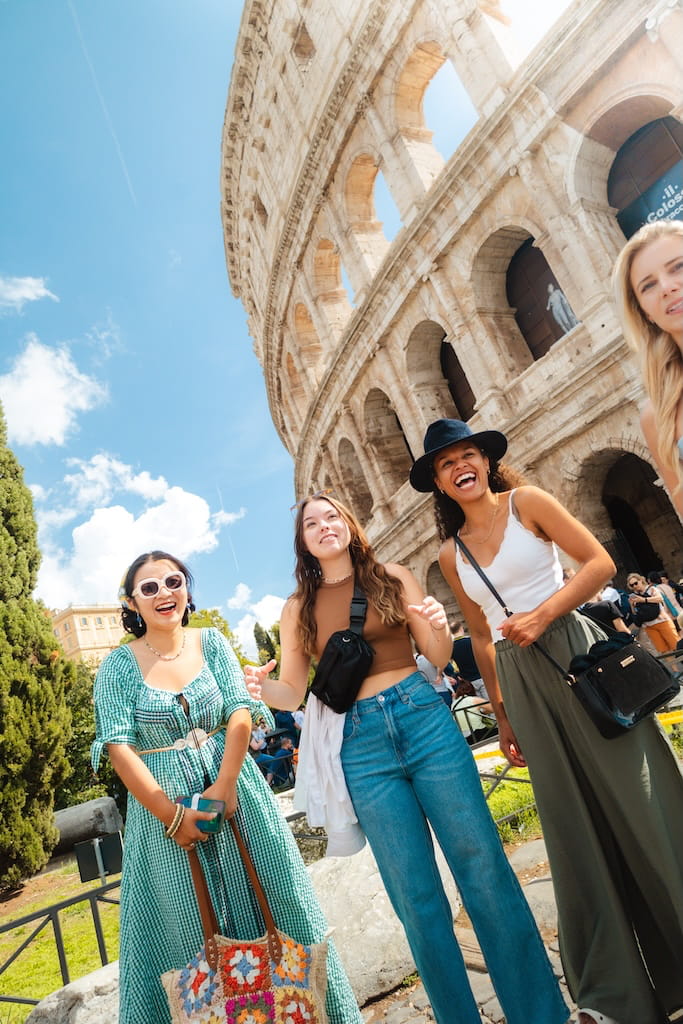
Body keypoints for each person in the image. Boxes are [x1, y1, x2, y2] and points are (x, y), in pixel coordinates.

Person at [244, 494, 568, 1024]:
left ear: (350, 527)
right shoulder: (296, 606)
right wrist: (263, 688)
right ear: (302, 541)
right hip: (360, 744)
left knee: (483, 868)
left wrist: (437, 622)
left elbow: (437, 659)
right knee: (416, 900)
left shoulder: (392, 576)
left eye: (333, 517)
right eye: (311, 523)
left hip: (423, 718)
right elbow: (293, 691)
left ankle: (540, 1015)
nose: (324, 526)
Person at [410, 417, 683, 1024]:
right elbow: (480, 636)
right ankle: (616, 994)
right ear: (438, 482)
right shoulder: (448, 553)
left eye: (469, 454)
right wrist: (503, 713)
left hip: (579, 654)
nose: (461, 466)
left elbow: (597, 563)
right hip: (523, 683)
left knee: (640, 799)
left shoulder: (528, 501)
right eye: (447, 463)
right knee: (572, 828)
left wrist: (542, 614)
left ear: (486, 462)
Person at [91, 550, 361, 1024]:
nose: (163, 594)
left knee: (284, 909)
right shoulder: (117, 667)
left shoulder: (211, 642)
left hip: (240, 799)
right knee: (189, 937)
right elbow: (118, 746)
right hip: (164, 819)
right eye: (149, 588)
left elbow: (239, 710)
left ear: (187, 590)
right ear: (132, 603)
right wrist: (172, 817)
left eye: (173, 582)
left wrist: (225, 784)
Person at [612, 218, 683, 518]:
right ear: (645, 312)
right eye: (649, 286)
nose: (667, 287)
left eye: (677, 266)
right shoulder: (659, 418)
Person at [626, 571, 678, 652]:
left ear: (641, 580)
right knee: (663, 651)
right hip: (649, 626)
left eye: (636, 583)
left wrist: (643, 600)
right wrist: (632, 606)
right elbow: (636, 614)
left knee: (676, 645)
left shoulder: (652, 589)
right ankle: (673, 665)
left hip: (662, 621)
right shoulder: (634, 596)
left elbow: (660, 598)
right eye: (631, 585)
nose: (635, 586)